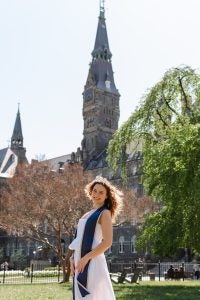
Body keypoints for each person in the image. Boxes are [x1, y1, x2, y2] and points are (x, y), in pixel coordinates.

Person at [69, 176, 123, 300]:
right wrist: (73, 257)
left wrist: (86, 258)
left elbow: (107, 242)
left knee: (93, 296)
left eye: (101, 192)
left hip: (92, 262)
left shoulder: (105, 213)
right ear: (90, 192)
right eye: (95, 190)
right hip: (80, 261)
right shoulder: (87, 214)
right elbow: (78, 239)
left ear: (106, 196)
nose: (97, 194)